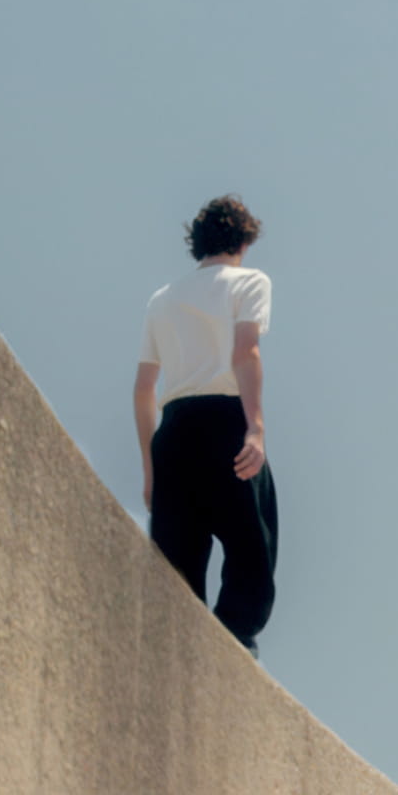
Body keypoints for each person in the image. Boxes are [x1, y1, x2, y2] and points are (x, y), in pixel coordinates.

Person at [133, 195, 278, 650]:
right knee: (252, 544)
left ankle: (177, 649)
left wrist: (150, 471)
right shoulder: (249, 282)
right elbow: (245, 352)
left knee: (177, 563)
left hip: (173, 431)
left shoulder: (161, 299)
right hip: (224, 423)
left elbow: (143, 389)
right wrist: (255, 428)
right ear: (244, 242)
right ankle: (235, 643)